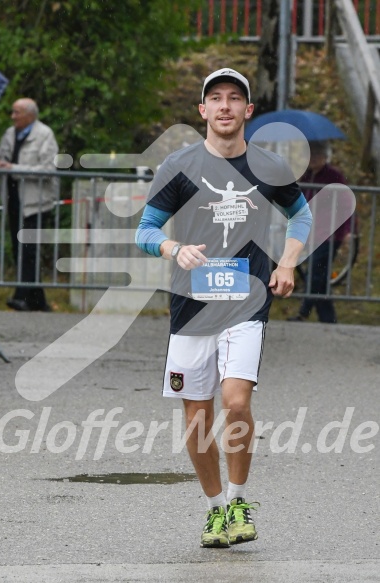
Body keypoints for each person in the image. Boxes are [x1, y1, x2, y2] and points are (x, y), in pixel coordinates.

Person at [136, 68, 312, 548]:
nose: (226, 106)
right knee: (197, 418)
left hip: (247, 302)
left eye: (235, 98)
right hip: (192, 309)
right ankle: (215, 510)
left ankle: (238, 501)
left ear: (248, 111)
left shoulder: (270, 167)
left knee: (235, 401)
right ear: (203, 111)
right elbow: (145, 230)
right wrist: (174, 251)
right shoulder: (180, 165)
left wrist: (288, 263)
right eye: (216, 98)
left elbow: (302, 215)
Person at [0, 97, 58, 311]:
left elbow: (48, 169)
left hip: (35, 201)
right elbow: (3, 158)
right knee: (19, 247)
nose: (13, 117)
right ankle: (38, 300)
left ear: (30, 114)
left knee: (28, 248)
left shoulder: (44, 135)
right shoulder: (10, 134)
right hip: (13, 198)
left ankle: (21, 295)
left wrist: (13, 168)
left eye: (17, 112)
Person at [287, 140, 352, 324]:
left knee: (315, 273)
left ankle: (303, 313)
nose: (314, 159)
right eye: (311, 155)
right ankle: (328, 319)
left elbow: (347, 204)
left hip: (331, 233)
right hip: (310, 233)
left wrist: (348, 230)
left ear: (325, 157)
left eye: (317, 155)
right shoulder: (306, 177)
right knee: (320, 276)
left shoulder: (334, 176)